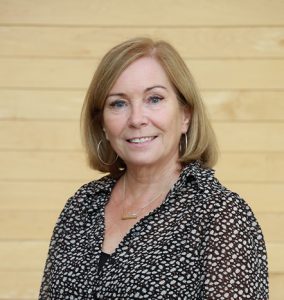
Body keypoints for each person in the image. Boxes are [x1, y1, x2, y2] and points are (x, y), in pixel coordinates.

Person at [39, 37, 269, 299]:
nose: (137, 119)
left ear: (185, 115)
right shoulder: (81, 206)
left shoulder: (220, 214)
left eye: (154, 99)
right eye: (118, 103)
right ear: (102, 123)